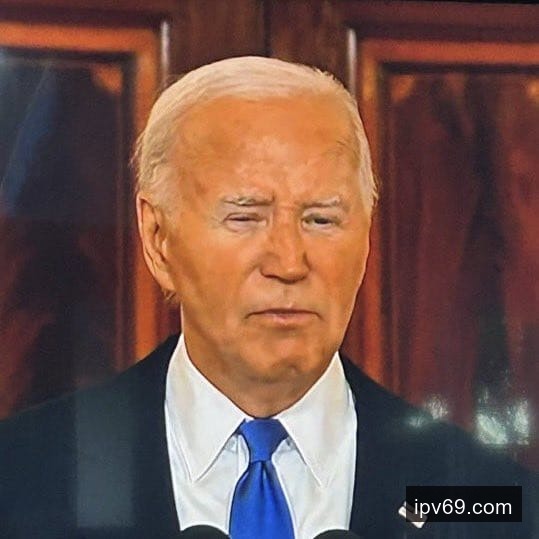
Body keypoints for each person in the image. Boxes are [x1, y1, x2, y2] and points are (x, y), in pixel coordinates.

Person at [0, 56, 536, 539]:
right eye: (245, 217)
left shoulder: (486, 498)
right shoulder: (23, 479)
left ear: (368, 237)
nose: (288, 263)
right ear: (158, 238)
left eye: (321, 219)